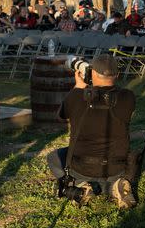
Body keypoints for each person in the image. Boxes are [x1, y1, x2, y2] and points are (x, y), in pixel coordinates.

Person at [46, 54, 137, 208]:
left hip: (83, 167)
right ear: (117, 75)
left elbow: (61, 115)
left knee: (53, 157)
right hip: (116, 166)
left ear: (92, 73)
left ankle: (81, 185)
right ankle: (116, 185)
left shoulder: (76, 97)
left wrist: (78, 88)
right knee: (130, 155)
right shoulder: (128, 97)